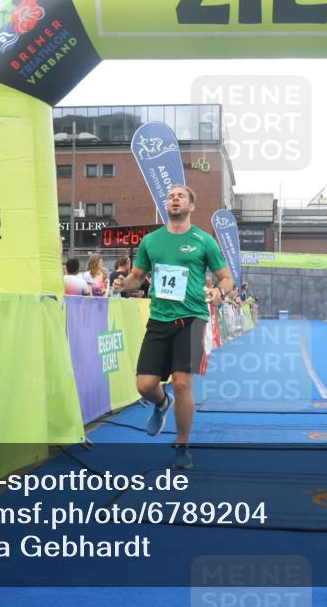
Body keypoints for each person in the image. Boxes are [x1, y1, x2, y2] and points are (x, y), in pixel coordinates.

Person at [112, 184, 234, 469]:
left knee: (182, 383)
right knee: (145, 386)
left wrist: (219, 291)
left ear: (191, 206)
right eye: (170, 196)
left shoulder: (204, 241)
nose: (174, 198)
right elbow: (136, 277)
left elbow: (226, 278)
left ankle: (182, 444)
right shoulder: (151, 241)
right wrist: (122, 285)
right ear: (166, 205)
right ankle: (161, 403)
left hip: (192, 319)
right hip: (159, 319)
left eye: (181, 196)